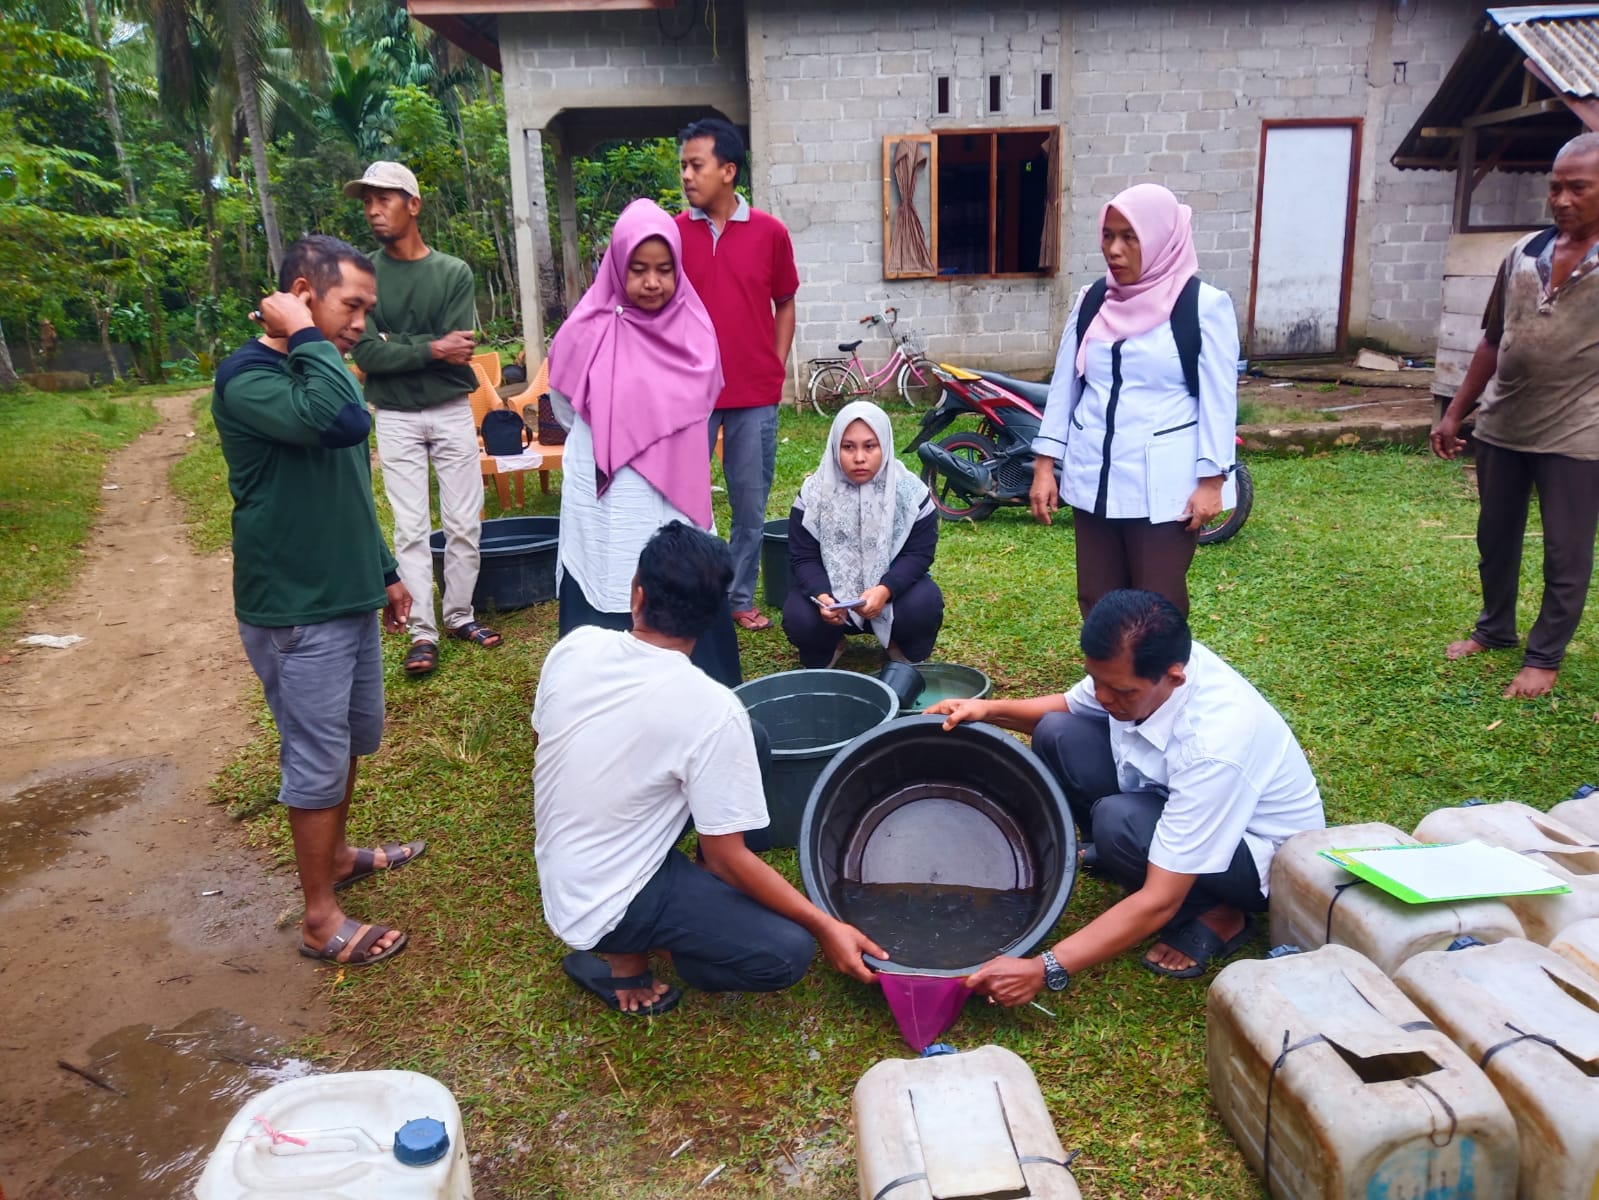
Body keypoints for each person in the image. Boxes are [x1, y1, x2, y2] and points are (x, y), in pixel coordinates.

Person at [532, 522, 886, 1016]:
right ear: (714, 615)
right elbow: (727, 858)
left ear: (637, 595)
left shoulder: (576, 646)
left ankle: (678, 912)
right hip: (604, 903)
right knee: (787, 952)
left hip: (565, 865)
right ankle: (656, 952)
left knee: (754, 741)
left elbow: (548, 744)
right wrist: (825, 925)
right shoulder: (710, 709)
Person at [928, 589, 1323, 1003]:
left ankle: (1216, 912)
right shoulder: (1145, 665)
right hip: (1169, 798)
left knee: (1120, 823)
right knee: (1056, 731)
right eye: (1097, 681)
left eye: (1122, 692)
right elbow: (1067, 705)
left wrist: (1045, 967)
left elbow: (1158, 901)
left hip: (1259, 859)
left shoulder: (1214, 745)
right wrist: (988, 710)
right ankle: (1126, 852)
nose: (1102, 697)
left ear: (1174, 676)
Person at [214, 234, 426, 967]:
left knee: (348, 741)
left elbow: (347, 482)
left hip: (346, 593)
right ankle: (318, 918)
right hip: (296, 609)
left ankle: (335, 856)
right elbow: (344, 423)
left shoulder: (315, 369)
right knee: (315, 757)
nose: (362, 323)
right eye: (351, 306)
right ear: (302, 293)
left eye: (368, 310)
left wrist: (385, 569)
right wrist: (308, 336)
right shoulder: (247, 378)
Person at [545, 197, 742, 689]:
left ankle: (693, 686)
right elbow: (565, 407)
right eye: (637, 269)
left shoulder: (694, 329)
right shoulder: (585, 329)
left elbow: (701, 399)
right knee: (609, 563)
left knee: (677, 567)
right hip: (608, 490)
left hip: (669, 491)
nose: (652, 283)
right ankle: (602, 692)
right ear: (616, 266)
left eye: (663, 270)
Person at [1431, 132, 1599, 699]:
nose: (1562, 199)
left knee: (1565, 549)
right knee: (1495, 536)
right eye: (1555, 187)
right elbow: (1491, 339)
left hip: (1578, 433)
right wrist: (1455, 412)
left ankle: (1544, 657)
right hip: (1503, 424)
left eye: (1578, 187)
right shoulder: (1523, 254)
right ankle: (1495, 629)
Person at [1030, 183, 1239, 617]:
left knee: (1156, 604)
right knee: (1097, 601)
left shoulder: (1203, 306)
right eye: (1108, 235)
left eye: (1130, 236)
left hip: (1162, 490)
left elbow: (1219, 400)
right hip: (1095, 481)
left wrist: (1213, 480)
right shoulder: (1092, 301)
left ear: (1162, 239)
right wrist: (1046, 465)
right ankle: (1106, 685)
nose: (1115, 249)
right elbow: (1065, 388)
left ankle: (1162, 685)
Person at [346, 160, 501, 677]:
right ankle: (422, 632)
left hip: (452, 411)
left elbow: (459, 348)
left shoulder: (453, 272)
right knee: (410, 528)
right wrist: (432, 347)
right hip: (394, 417)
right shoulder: (363, 275)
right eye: (367, 201)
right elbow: (367, 355)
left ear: (413, 205)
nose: (372, 210)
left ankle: (459, 614)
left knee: (463, 523)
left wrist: (400, 346)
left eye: (383, 198)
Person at [676, 117, 800, 633]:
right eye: (683, 165)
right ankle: (683, 595)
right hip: (690, 396)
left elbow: (786, 301)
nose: (686, 175)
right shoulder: (673, 233)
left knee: (749, 502)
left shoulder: (770, 232)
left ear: (728, 170)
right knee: (682, 501)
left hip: (754, 395)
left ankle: (738, 596)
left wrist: (773, 367)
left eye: (695, 165)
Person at [782, 400, 943, 668]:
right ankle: (831, 644)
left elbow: (919, 553)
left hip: (892, 597)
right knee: (799, 615)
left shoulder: (910, 494)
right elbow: (803, 557)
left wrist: (885, 590)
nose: (859, 458)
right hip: (833, 603)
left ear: (885, 446)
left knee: (923, 603)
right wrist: (823, 597)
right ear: (835, 447)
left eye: (870, 446)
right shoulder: (813, 494)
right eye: (848, 447)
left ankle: (898, 644)